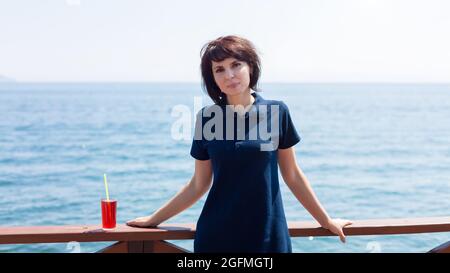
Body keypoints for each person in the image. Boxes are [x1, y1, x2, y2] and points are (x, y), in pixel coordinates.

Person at [126, 35, 352, 253]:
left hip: (268, 236)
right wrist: (154, 220)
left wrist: (325, 220)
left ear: (250, 67)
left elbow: (292, 175)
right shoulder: (207, 119)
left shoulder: (276, 112)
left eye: (236, 64)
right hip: (216, 237)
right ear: (212, 78)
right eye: (219, 69)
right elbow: (199, 184)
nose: (229, 75)